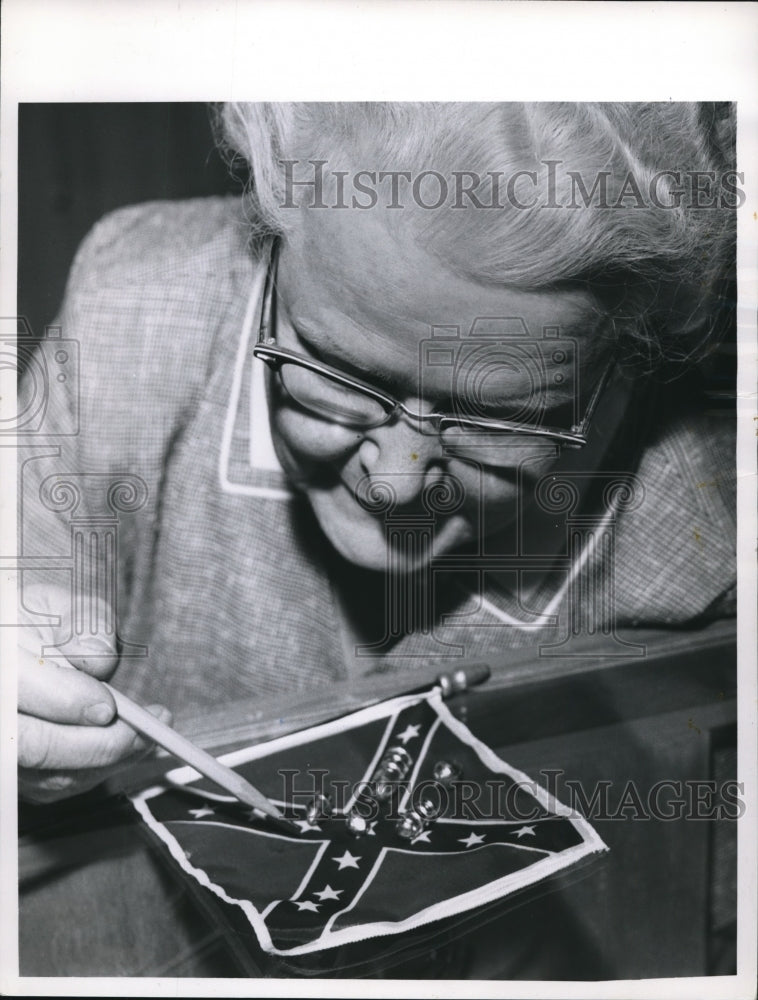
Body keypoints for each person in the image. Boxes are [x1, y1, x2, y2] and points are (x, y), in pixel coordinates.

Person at [17, 102, 737, 975]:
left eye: (496, 414)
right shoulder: (136, 312)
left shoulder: (717, 498)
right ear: (272, 238)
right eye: (335, 374)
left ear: (633, 353)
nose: (395, 485)